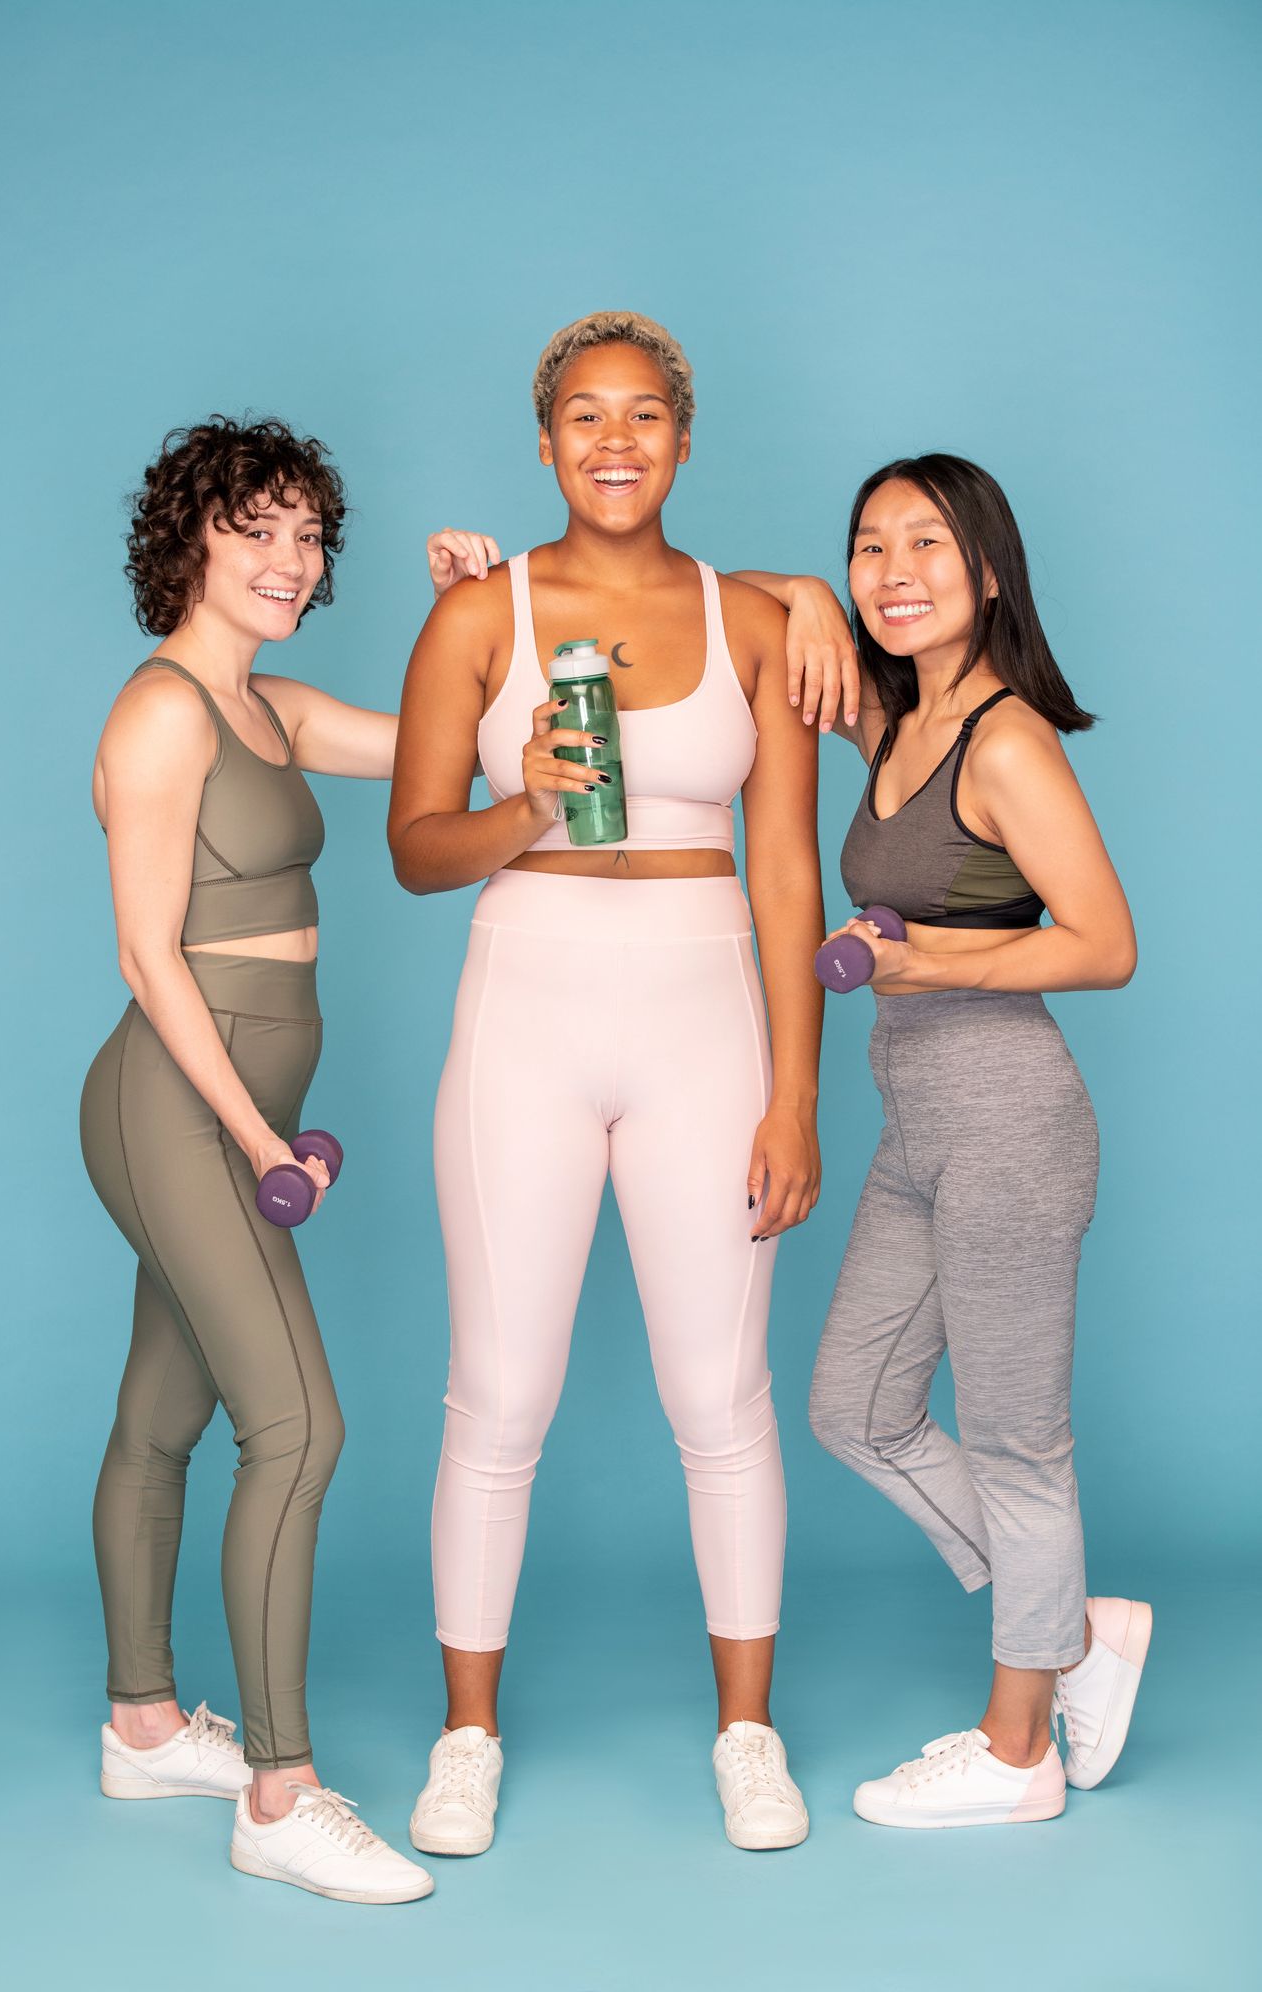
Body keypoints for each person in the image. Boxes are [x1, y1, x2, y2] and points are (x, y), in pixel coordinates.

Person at [388, 312, 824, 1855]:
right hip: (528, 1006)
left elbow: (785, 874)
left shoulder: (760, 621)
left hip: (708, 1018)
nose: (615, 439)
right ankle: (464, 1739)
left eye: (644, 415)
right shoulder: (478, 620)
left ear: (684, 440)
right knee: (500, 1394)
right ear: (546, 441)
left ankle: (748, 1735)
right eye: (584, 415)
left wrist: (794, 1098)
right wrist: (526, 809)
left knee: (721, 1395)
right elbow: (414, 850)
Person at [81, 413, 493, 1901]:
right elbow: (147, 954)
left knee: (164, 1416)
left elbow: (451, 744)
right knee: (300, 1430)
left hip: (244, 1106)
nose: (288, 556)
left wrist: (468, 612)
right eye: (257, 524)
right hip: (178, 1103)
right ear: (193, 532)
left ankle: (141, 1722)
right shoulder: (163, 713)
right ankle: (279, 1790)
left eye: (310, 534)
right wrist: (259, 1136)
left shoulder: (275, 708)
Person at [769, 453, 1148, 1827]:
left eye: (924, 546)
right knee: (852, 1408)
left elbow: (1103, 943)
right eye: (868, 549)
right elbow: (745, 607)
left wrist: (938, 966)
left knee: (1010, 1443)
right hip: (913, 1131)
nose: (892, 574)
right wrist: (808, 596)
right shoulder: (889, 719)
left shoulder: (1002, 740)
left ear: (986, 572)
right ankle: (1076, 1632)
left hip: (1006, 1124)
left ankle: (1015, 1752)